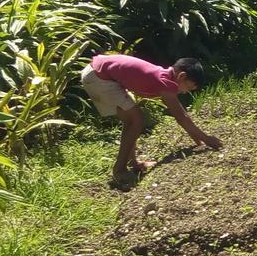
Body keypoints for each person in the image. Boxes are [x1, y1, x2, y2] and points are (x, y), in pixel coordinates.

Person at [81, 53, 223, 186]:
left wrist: (198, 140)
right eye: (188, 87)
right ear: (181, 76)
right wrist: (207, 139)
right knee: (136, 120)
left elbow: (182, 117)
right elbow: (181, 117)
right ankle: (119, 171)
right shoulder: (165, 82)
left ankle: (133, 163)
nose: (185, 92)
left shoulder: (163, 76)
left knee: (132, 120)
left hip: (98, 72)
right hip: (99, 77)